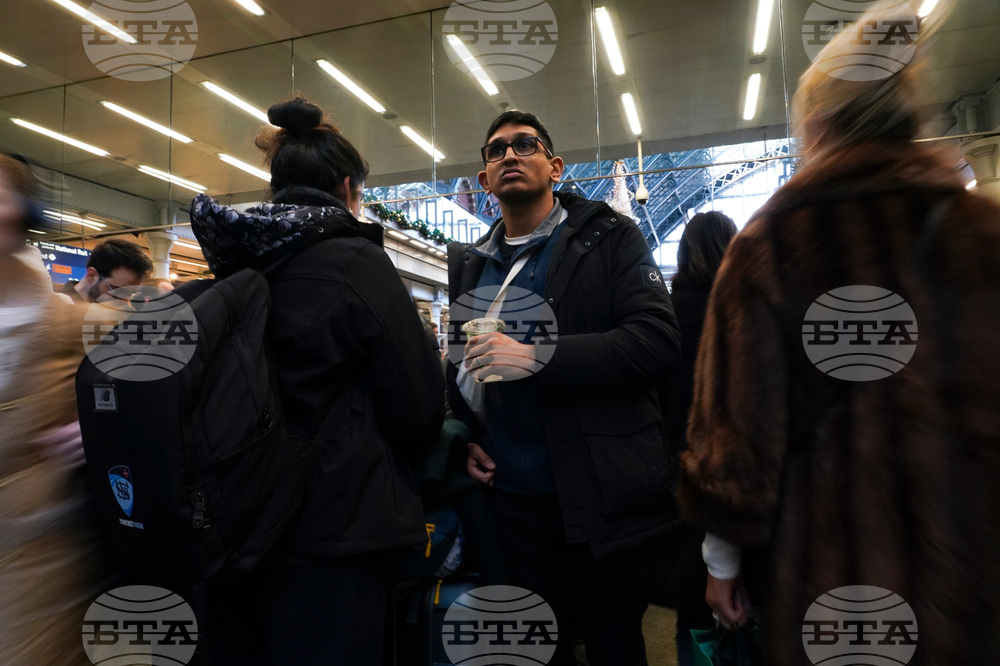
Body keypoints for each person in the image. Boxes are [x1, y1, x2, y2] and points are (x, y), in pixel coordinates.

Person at [677, 10, 1000, 665]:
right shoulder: (982, 233)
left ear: (815, 125)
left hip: (835, 580)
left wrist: (722, 564)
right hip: (975, 575)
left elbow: (735, 451)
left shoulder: (767, 249)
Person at [189, 97, 444, 665]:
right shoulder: (354, 260)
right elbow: (419, 405)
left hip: (240, 511)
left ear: (276, 185)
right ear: (348, 187)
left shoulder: (237, 258)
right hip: (334, 524)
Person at [447, 110, 681, 665]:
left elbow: (656, 339)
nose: (509, 154)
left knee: (613, 645)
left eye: (525, 145)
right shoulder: (473, 265)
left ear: (553, 167)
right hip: (512, 503)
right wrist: (464, 436)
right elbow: (460, 368)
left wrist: (538, 357)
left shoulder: (607, 238)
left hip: (598, 494)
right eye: (496, 150)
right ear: (484, 181)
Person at [0, 154, 111, 664]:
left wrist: (103, 430)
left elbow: (167, 386)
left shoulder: (76, 324)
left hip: (38, 564)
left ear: (24, 212)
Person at [662, 211, 738, 665]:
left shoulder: (665, 315)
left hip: (678, 470)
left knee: (692, 606)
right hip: (734, 470)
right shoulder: (741, 309)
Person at [60, 237, 152, 303]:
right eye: (118, 290)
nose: (124, 301)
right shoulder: (53, 310)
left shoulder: (115, 318)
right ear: (92, 275)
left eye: (132, 293)